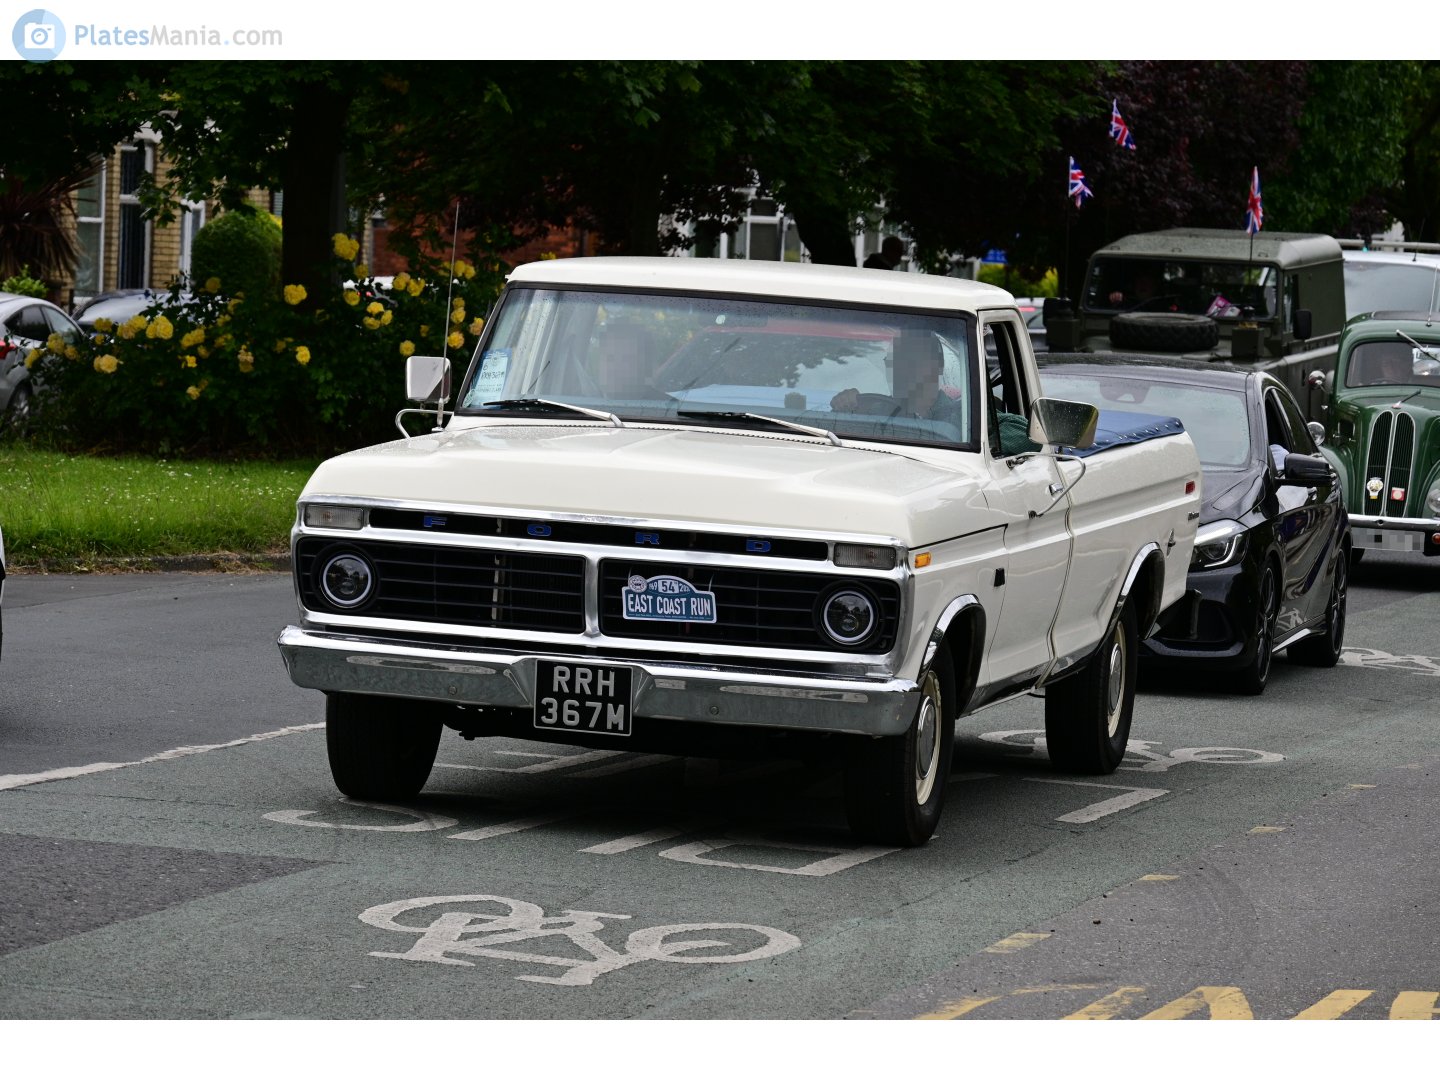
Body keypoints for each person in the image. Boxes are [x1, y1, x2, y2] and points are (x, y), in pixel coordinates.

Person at [830, 334, 962, 425]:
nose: (899, 370)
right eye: (892, 362)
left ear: (937, 366)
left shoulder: (962, 420)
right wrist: (848, 406)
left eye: (910, 361)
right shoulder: (876, 411)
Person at [592, 322, 662, 399]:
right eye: (610, 358)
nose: (615, 367)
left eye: (626, 359)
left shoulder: (665, 404)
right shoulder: (587, 399)